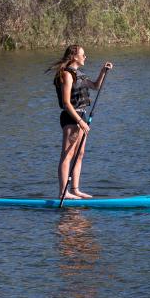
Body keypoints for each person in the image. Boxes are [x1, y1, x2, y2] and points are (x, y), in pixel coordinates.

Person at [48, 44, 112, 199]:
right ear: (74, 56)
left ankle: (75, 189)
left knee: (80, 153)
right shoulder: (67, 75)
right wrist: (80, 122)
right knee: (68, 154)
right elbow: (66, 103)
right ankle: (64, 192)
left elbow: (96, 86)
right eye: (83, 54)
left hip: (81, 116)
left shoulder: (79, 74)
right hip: (71, 117)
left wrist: (103, 71)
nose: (85, 57)